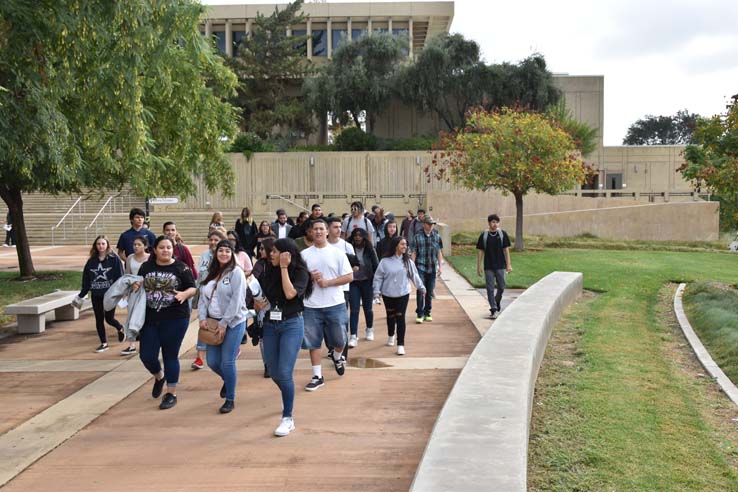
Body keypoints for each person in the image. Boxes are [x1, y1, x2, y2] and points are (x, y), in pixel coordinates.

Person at [133, 236, 197, 410]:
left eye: (169, 247)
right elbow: (138, 285)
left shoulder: (181, 267)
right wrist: (135, 287)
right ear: (154, 250)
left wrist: (184, 294)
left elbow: (192, 287)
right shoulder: (146, 267)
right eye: (162, 247)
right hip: (150, 319)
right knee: (146, 355)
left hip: (176, 318)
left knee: (170, 355)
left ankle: (171, 393)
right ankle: (159, 376)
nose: (166, 250)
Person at [256, 238, 312, 436]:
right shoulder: (268, 270)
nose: (270, 254)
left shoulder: (300, 272)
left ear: (287, 254)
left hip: (292, 324)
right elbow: (265, 295)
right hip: (271, 324)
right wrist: (258, 302)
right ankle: (287, 393)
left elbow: (290, 294)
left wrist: (284, 268)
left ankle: (287, 418)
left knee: (285, 372)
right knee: (273, 371)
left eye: (275, 251)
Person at [300, 219, 353, 391]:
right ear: (310, 232)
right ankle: (317, 375)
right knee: (313, 341)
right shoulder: (305, 254)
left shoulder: (337, 253)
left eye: (321, 229)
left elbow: (349, 276)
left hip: (335, 303)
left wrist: (328, 282)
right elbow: (299, 279)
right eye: (315, 229)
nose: (318, 232)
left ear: (327, 231)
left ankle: (337, 356)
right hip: (311, 305)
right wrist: (309, 277)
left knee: (340, 340)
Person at [198, 239, 248, 414]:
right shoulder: (209, 273)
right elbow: (203, 297)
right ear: (215, 253)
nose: (224, 254)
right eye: (221, 251)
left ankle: (230, 398)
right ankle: (229, 380)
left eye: (228, 251)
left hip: (233, 322)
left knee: (227, 362)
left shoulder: (236, 273)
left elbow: (237, 300)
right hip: (212, 323)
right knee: (212, 362)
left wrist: (224, 323)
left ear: (232, 253)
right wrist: (202, 317)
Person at [373, 236, 425, 356]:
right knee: (390, 315)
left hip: (403, 293)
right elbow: (378, 277)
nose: (405, 247)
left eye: (405, 245)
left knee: (400, 317)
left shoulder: (407, 261)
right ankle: (391, 335)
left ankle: (400, 344)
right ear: (396, 245)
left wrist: (421, 287)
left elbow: (414, 275)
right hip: (388, 293)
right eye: (402, 244)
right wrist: (376, 292)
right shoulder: (385, 262)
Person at [76, 235, 125, 352]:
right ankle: (103, 343)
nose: (101, 246)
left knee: (109, 318)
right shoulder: (91, 261)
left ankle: (120, 328)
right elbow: (86, 280)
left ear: (107, 245)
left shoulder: (114, 259)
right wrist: (81, 295)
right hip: (96, 295)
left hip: (110, 295)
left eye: (103, 243)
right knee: (99, 319)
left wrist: (122, 292)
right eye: (98, 244)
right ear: (95, 246)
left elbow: (120, 277)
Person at [193, 230, 229, 370]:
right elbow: (201, 275)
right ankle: (199, 357)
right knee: (204, 326)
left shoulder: (228, 257)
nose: (213, 242)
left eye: (216, 240)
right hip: (206, 294)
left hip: (223, 302)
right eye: (211, 240)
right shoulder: (204, 255)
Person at [476, 214, 513, 319]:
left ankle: (496, 301)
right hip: (488, 266)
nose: (495, 224)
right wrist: (479, 266)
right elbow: (480, 251)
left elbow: (506, 250)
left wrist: (508, 264)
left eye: (497, 222)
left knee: (501, 286)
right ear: (489, 223)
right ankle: (493, 308)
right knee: (490, 288)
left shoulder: (502, 234)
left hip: (500, 265)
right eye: (493, 222)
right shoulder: (484, 235)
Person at [347, 228, 379, 345]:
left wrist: (376, 283)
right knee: (354, 309)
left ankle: (369, 329)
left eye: (360, 235)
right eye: (355, 235)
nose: (357, 237)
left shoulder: (369, 249)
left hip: (367, 282)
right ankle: (353, 335)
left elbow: (376, 265)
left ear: (364, 236)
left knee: (368, 308)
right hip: (353, 282)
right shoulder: (349, 248)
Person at [410, 216, 444, 324]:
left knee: (430, 291)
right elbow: (414, 252)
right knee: (421, 290)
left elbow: (439, 252)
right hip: (420, 266)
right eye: (429, 224)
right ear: (424, 224)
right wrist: (413, 267)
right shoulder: (417, 237)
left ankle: (427, 312)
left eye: (432, 224)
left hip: (432, 267)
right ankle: (419, 313)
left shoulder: (437, 237)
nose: (431, 226)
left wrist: (440, 266)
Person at [121, 235, 150, 355]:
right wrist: (126, 290)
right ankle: (131, 344)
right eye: (134, 244)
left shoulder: (150, 258)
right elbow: (127, 275)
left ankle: (146, 342)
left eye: (139, 244)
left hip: (147, 290)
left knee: (144, 316)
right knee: (131, 315)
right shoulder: (130, 258)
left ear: (145, 246)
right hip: (134, 290)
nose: (136, 247)